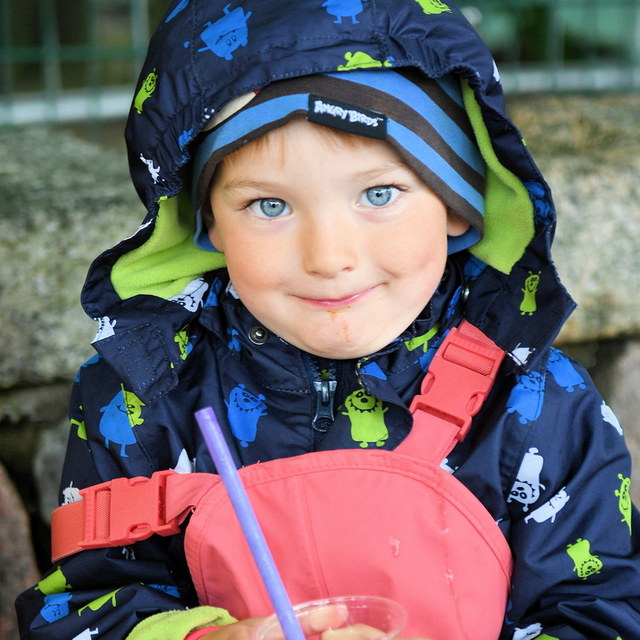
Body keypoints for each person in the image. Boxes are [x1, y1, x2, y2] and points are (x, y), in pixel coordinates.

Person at [15, 0, 640, 638]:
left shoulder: (538, 402)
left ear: (459, 202)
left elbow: (605, 612)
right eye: (269, 205)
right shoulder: (143, 397)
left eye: (378, 194)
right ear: (207, 224)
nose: (328, 258)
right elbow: (79, 611)